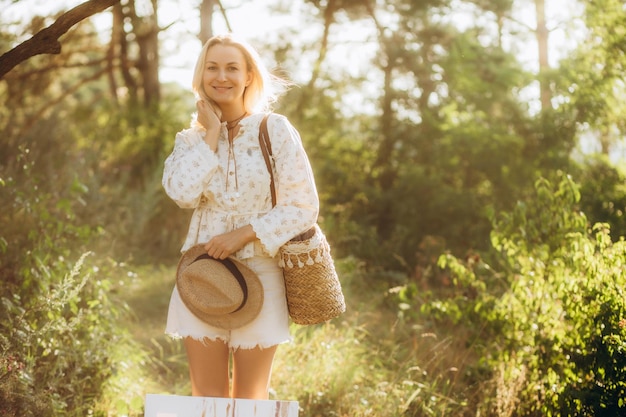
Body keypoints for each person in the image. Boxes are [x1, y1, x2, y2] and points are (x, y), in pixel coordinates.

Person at [161, 33, 319, 400]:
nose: (222, 76)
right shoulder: (189, 141)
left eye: (232, 67)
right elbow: (183, 195)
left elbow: (303, 206)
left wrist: (245, 233)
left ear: (249, 76)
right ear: (201, 77)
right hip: (202, 274)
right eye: (212, 68)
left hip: (262, 272)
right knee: (208, 397)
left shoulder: (274, 130)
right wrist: (211, 134)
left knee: (251, 398)